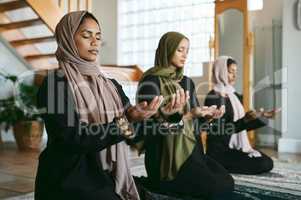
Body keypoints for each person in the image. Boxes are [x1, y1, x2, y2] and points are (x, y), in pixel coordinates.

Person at [34, 11, 163, 200]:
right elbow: (74, 139)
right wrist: (126, 121)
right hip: (71, 176)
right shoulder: (55, 84)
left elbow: (132, 136)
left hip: (108, 173)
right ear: (68, 39)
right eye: (86, 36)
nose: (95, 42)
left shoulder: (110, 85)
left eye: (98, 37)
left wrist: (162, 116)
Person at [135, 32, 234, 199]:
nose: (185, 55)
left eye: (187, 50)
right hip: (165, 159)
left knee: (227, 182)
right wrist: (185, 116)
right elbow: (149, 132)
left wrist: (207, 118)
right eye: (180, 50)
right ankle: (157, 183)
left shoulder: (187, 82)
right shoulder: (150, 83)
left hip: (193, 153)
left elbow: (195, 127)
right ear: (167, 50)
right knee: (217, 189)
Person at [204, 56, 276, 175]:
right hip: (220, 150)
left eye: (235, 72)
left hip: (235, 147)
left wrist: (262, 117)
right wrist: (245, 119)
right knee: (262, 163)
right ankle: (218, 164)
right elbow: (219, 131)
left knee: (267, 161)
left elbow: (242, 126)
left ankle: (228, 164)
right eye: (231, 72)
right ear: (220, 72)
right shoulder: (213, 97)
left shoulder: (235, 95)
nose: (234, 76)